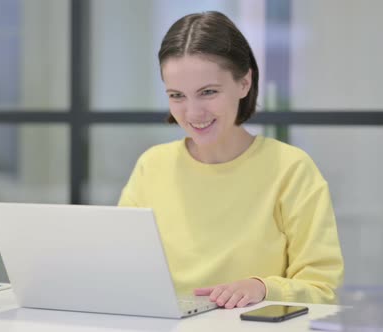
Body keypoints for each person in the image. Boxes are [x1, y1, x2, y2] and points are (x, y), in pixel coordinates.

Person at [118, 11, 344, 309]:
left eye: (208, 92)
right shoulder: (152, 166)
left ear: (244, 83)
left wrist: (262, 288)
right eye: (177, 96)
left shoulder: (291, 168)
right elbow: (120, 268)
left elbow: (323, 289)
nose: (193, 113)